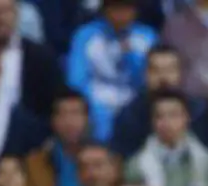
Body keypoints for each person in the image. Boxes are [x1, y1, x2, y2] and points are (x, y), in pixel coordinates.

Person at [65, 0, 158, 143]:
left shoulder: (148, 36)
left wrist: (131, 56)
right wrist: (96, 107)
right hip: (95, 104)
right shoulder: (85, 35)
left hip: (136, 104)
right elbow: (76, 80)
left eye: (126, 9)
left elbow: (150, 79)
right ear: (105, 10)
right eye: (116, 9)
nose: (121, 15)